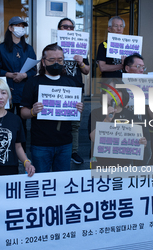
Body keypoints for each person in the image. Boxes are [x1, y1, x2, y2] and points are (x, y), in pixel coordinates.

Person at [21, 43, 83, 172]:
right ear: (43, 62)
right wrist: (33, 111)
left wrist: (78, 108)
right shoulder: (33, 82)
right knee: (40, 183)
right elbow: (23, 112)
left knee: (62, 183)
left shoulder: (71, 82)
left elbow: (75, 114)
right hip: (41, 144)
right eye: (52, 60)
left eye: (60, 60)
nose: (56, 63)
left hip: (65, 143)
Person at [0, 16, 37, 151]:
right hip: (7, 89)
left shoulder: (28, 48)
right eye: (17, 26)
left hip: (24, 90)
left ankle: (21, 150)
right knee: (6, 119)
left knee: (22, 122)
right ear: (10, 28)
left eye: (22, 26)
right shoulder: (1, 48)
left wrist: (24, 75)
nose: (20, 28)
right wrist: (9, 74)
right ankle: (7, 148)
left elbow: (34, 69)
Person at [88, 78, 147, 168]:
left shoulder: (131, 115)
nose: (114, 94)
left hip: (124, 164)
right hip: (100, 163)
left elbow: (138, 138)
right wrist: (107, 120)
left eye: (118, 91)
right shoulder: (96, 113)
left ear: (123, 94)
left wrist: (142, 143)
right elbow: (93, 138)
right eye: (110, 91)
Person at [58, 17, 90, 165]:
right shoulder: (53, 48)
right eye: (65, 27)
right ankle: (58, 150)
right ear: (59, 29)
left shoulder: (81, 47)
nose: (68, 29)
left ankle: (74, 151)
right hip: (58, 89)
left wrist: (81, 62)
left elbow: (87, 71)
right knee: (57, 120)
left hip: (76, 89)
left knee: (75, 123)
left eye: (71, 27)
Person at [123, 53, 151, 165]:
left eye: (143, 67)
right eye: (138, 67)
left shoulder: (148, 85)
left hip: (143, 129)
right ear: (127, 68)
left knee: (144, 161)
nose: (141, 70)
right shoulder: (118, 85)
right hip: (124, 130)